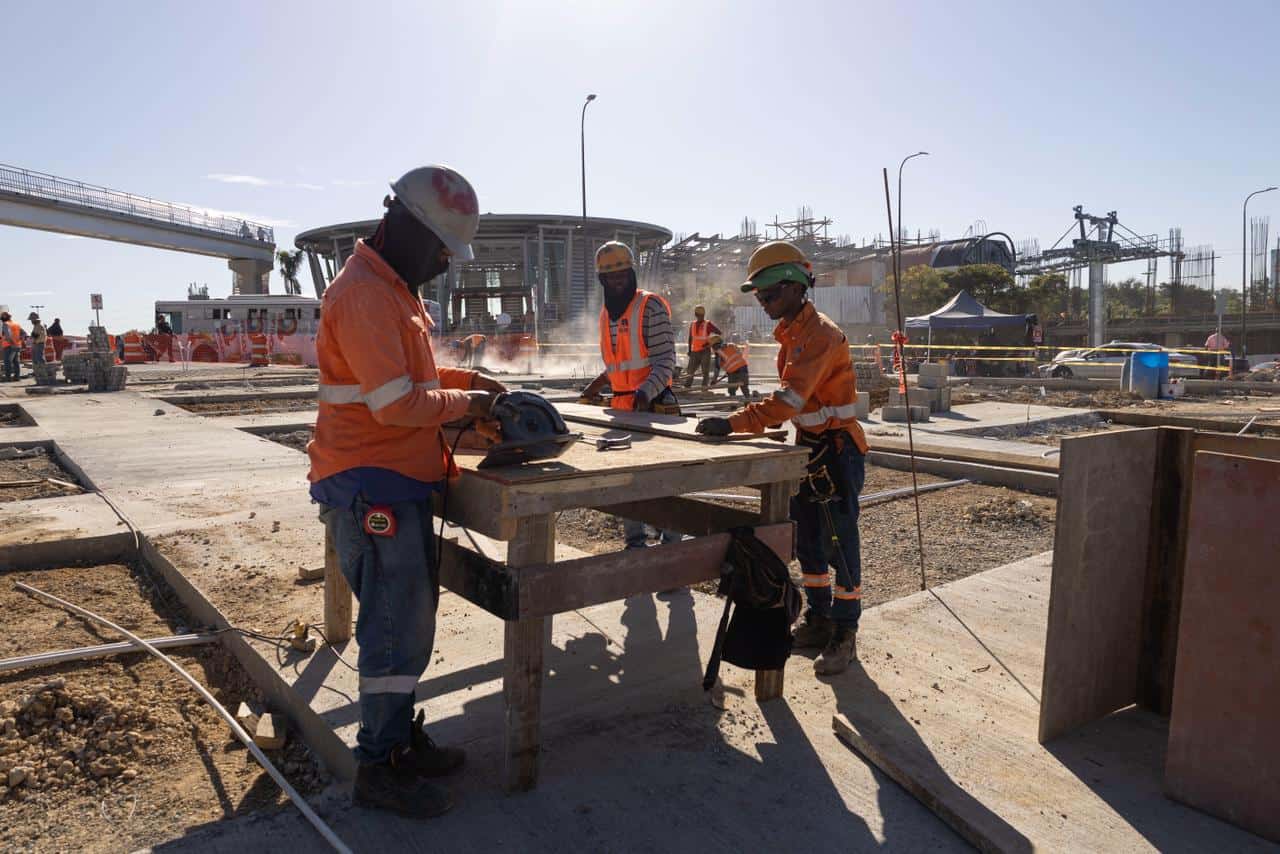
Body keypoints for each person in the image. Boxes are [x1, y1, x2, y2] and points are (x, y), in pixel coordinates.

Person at [308, 165, 507, 819]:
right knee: (394, 630)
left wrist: (465, 376)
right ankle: (378, 767)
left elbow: (410, 371)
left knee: (407, 623)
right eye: (444, 249)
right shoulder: (364, 294)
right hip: (373, 484)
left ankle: (396, 741)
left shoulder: (393, 291)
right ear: (409, 228)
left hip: (393, 480)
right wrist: (468, 400)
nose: (447, 263)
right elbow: (396, 404)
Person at [697, 241, 868, 675]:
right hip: (810, 449)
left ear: (794, 287)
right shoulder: (792, 333)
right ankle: (820, 617)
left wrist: (733, 423)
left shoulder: (820, 336)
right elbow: (798, 406)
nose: (764, 302)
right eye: (759, 296)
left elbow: (789, 400)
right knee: (808, 541)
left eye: (769, 295)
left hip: (837, 452)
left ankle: (845, 632)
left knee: (839, 546)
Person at [579, 240, 681, 550]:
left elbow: (666, 362)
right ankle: (635, 545)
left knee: (661, 483)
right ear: (603, 280)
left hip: (653, 409)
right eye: (611, 277)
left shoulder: (649, 306)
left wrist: (645, 394)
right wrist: (596, 386)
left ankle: (671, 546)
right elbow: (618, 364)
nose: (617, 281)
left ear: (632, 273)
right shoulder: (606, 315)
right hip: (621, 409)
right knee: (626, 482)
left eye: (622, 274)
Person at [682, 304, 720, 389]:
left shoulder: (708, 324)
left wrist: (710, 342)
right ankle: (687, 387)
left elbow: (719, 333)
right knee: (690, 371)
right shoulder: (693, 324)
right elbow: (690, 338)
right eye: (699, 315)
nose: (700, 316)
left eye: (701, 315)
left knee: (705, 372)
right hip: (694, 351)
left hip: (705, 351)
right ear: (696, 315)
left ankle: (704, 388)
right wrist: (689, 350)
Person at [1, 312, 21, 381]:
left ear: (5, 317)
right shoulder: (16, 324)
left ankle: (8, 378)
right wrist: (17, 341)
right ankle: (17, 377)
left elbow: (7, 335)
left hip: (9, 346)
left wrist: (11, 342)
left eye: (2, 317)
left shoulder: (6, 324)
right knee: (16, 362)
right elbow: (23, 334)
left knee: (7, 361)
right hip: (17, 346)